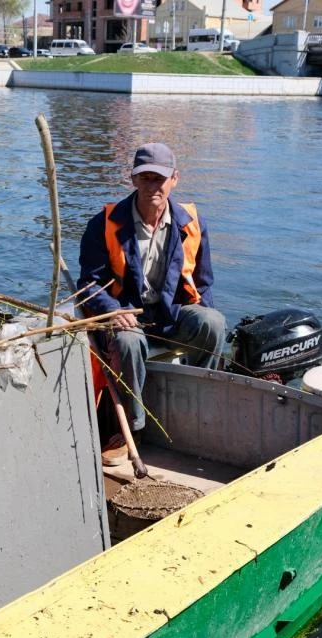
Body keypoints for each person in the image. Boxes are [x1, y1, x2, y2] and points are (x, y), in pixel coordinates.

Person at [77, 142, 226, 466]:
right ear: (133, 179)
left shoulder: (192, 222)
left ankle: (198, 408)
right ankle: (131, 430)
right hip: (125, 315)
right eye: (145, 178)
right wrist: (113, 311)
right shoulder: (104, 223)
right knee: (129, 342)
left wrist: (204, 313)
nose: (152, 186)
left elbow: (204, 283)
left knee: (213, 322)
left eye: (159, 179)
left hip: (170, 314)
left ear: (174, 179)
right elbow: (89, 284)